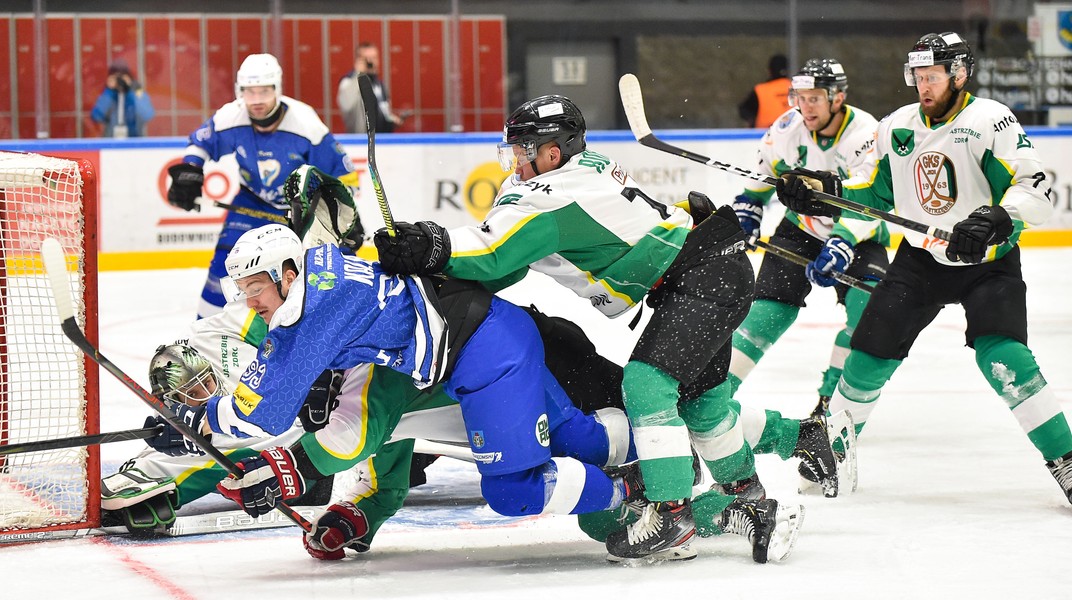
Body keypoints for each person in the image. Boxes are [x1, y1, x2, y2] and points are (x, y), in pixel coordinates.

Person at [152, 224, 802, 563]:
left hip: (488, 359)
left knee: (519, 491)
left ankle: (645, 488)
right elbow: (380, 458)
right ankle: (710, 475)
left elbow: (273, 414)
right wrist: (348, 512)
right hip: (498, 338)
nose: (252, 303)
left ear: (289, 272)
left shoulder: (325, 334)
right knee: (585, 441)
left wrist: (203, 423)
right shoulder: (331, 301)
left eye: (257, 288)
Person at [373, 95, 806, 562]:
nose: (514, 162)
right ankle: (752, 492)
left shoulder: (553, 193)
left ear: (551, 153)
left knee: (646, 386)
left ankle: (673, 512)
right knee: (700, 402)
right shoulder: (577, 173)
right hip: (709, 267)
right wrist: (438, 265)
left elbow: (493, 251)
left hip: (701, 276)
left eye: (521, 151)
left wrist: (428, 244)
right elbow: (507, 264)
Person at [776, 32, 1072, 505]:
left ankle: (1065, 458)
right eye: (918, 77)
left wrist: (999, 215)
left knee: (1004, 359)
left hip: (987, 264)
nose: (923, 86)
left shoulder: (990, 119)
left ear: (959, 74)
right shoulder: (897, 125)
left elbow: (1033, 185)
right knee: (867, 355)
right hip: (919, 261)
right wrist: (822, 188)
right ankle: (834, 451)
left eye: (932, 76)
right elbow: (874, 190)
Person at [727, 58, 886, 495]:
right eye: (800, 97)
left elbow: (873, 201)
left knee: (868, 319)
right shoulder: (786, 127)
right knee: (764, 318)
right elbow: (760, 181)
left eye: (814, 98)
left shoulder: (865, 134)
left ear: (838, 97)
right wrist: (749, 209)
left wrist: (843, 243)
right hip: (800, 232)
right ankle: (715, 396)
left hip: (860, 233)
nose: (805, 106)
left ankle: (828, 408)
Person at [165, 53, 360, 318]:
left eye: (264, 91)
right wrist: (190, 170)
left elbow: (345, 177)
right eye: (249, 91)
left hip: (298, 211)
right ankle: (202, 337)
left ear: (277, 90)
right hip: (251, 201)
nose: (256, 100)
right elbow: (200, 143)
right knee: (224, 264)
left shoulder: (306, 125)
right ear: (239, 91)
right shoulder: (231, 116)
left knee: (303, 276)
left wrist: (339, 217)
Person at [336, 42, 402, 133]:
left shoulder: (379, 84)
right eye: (367, 59)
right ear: (358, 61)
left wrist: (392, 120)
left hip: (383, 140)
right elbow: (347, 106)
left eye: (374, 58)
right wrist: (358, 75)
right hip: (363, 142)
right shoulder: (348, 82)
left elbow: (383, 109)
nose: (372, 62)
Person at [90, 60, 155, 138]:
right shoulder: (107, 95)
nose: (120, 81)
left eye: (122, 76)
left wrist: (131, 91)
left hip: (135, 142)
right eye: (116, 77)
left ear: (129, 77)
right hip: (111, 143)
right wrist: (109, 91)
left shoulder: (137, 91)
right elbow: (97, 117)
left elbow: (147, 115)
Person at [738, 54, 791, 128]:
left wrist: (752, 121)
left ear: (769, 71)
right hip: (795, 135)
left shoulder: (760, 91)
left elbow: (744, 110)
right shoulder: (799, 89)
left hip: (765, 135)